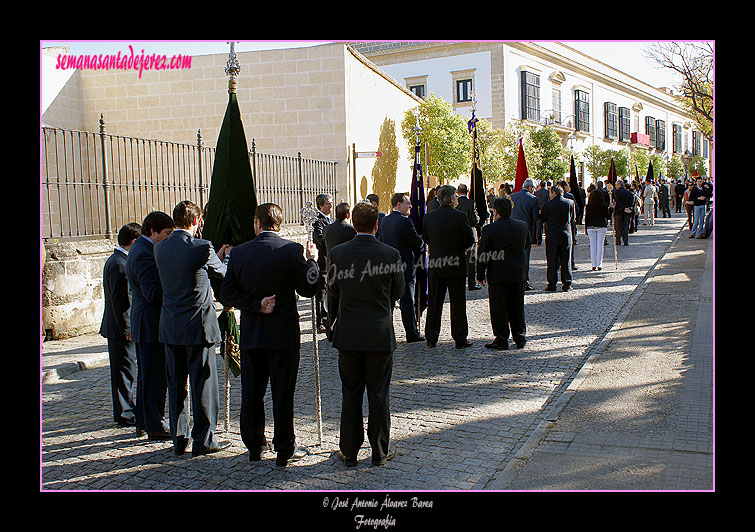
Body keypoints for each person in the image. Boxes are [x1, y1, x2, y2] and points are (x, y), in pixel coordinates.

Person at [219, 203, 320, 466]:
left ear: (257, 223)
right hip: (283, 335)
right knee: (282, 394)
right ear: (280, 224)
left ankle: (254, 445)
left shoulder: (240, 253)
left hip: (253, 335)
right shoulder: (290, 250)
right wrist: (312, 262)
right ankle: (284, 448)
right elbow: (310, 289)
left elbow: (226, 293)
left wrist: (255, 304)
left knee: (252, 393)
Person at [327, 201, 404, 466]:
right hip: (379, 333)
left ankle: (349, 451)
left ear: (353, 223)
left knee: (351, 393)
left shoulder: (338, 253)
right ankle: (379, 452)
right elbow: (399, 292)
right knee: (379, 393)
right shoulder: (390, 254)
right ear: (376, 224)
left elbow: (333, 289)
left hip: (349, 332)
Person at [154, 200, 232, 457]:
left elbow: (186, 269)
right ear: (197, 222)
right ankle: (204, 440)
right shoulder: (201, 246)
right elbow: (221, 272)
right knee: (203, 384)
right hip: (197, 326)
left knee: (176, 384)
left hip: (171, 326)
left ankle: (179, 438)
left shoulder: (160, 248)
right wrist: (226, 257)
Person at [126, 211, 174, 440]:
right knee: (154, 377)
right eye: (165, 234)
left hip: (148, 323)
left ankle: (146, 421)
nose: (168, 239)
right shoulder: (144, 253)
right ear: (152, 231)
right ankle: (154, 424)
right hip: (150, 324)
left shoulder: (144, 249)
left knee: (148, 376)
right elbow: (152, 293)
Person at [422, 185, 476, 348]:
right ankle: (460, 338)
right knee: (458, 303)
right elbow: (468, 240)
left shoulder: (429, 217)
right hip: (456, 265)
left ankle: (431, 337)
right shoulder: (460, 216)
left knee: (434, 303)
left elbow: (427, 239)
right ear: (452, 199)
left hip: (437, 264)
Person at [100, 223, 141, 430]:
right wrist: (127, 329)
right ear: (133, 242)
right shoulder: (120, 264)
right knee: (125, 372)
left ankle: (126, 409)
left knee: (124, 371)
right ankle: (125, 412)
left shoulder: (116, 260)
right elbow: (122, 301)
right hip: (120, 329)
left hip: (116, 327)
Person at [477, 197, 530, 350]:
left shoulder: (490, 229)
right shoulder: (522, 226)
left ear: (496, 212)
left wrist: (480, 274)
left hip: (498, 274)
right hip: (517, 272)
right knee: (517, 306)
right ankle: (520, 337)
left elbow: (483, 254)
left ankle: (501, 338)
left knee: (498, 308)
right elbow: (526, 244)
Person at [379, 192, 425, 343]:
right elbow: (417, 244)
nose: (411, 206)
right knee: (407, 304)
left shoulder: (384, 221)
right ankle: (411, 334)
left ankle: (386, 333)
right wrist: (422, 242)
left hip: (388, 268)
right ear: (399, 204)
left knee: (389, 304)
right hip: (405, 268)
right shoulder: (405, 222)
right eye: (408, 203)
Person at [323, 202, 357, 341]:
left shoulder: (327, 229)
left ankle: (330, 331)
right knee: (344, 301)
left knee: (331, 302)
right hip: (346, 269)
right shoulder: (350, 230)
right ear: (348, 215)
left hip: (331, 267)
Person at [540, 185, 576, 292]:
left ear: (554, 193)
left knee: (552, 261)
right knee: (566, 261)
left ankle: (552, 284)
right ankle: (567, 283)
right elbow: (572, 218)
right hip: (566, 235)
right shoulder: (570, 203)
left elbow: (543, 218)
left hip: (552, 236)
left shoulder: (548, 204)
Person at [510, 177, 539, 290]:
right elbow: (535, 217)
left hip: (512, 230)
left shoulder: (512, 197)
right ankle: (524, 281)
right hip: (525, 231)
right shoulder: (532, 199)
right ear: (530, 187)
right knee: (525, 256)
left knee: (512, 255)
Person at [312, 193, 333, 332]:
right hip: (323, 262)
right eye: (328, 203)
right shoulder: (317, 221)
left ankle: (328, 318)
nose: (331, 205)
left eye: (331, 203)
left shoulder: (330, 220)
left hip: (332, 261)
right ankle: (320, 321)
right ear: (320, 206)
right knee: (322, 292)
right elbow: (320, 238)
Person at [455, 183, 481, 291]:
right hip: (470, 232)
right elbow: (475, 219)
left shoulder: (455, 203)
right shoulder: (471, 203)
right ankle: (471, 283)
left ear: (458, 192)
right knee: (471, 260)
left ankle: (459, 283)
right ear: (467, 191)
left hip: (457, 234)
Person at [584, 189, 611, 271]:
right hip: (601, 226)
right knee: (600, 245)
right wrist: (611, 209)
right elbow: (608, 216)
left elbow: (587, 218)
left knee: (593, 245)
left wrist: (586, 228)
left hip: (591, 226)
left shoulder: (588, 206)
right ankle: (599, 264)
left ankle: (593, 264)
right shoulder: (604, 205)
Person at [612, 180, 634, 246]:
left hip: (619, 211)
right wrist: (628, 207)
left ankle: (618, 241)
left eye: (616, 185)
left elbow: (617, 201)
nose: (616, 186)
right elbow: (632, 199)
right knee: (625, 227)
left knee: (618, 227)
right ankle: (625, 241)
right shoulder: (628, 192)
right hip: (627, 212)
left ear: (619, 185)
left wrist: (623, 207)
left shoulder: (617, 192)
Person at [534, 180, 549, 245]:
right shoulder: (548, 192)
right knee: (547, 225)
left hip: (538, 210)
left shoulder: (536, 193)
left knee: (539, 226)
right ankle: (547, 238)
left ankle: (538, 240)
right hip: (546, 210)